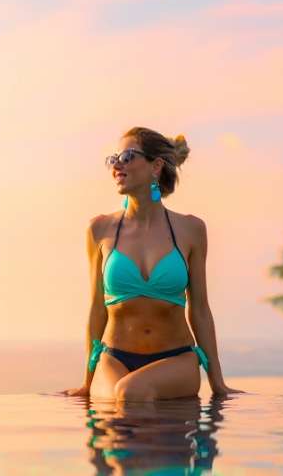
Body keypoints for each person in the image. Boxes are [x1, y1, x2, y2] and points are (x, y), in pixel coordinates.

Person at [61, 127, 243, 401]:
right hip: (114, 358)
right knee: (122, 401)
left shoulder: (191, 230)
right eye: (114, 159)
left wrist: (218, 383)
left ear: (156, 166)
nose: (117, 165)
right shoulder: (100, 229)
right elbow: (97, 308)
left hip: (176, 359)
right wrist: (87, 382)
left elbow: (201, 310)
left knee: (129, 393)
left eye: (127, 156)